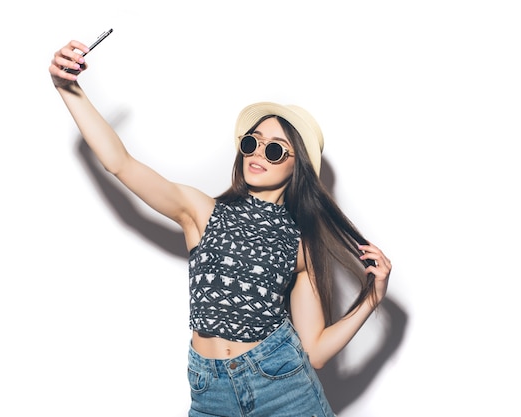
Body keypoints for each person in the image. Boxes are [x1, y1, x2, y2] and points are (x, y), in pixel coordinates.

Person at [49, 39, 392, 417]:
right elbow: (121, 164)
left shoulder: (301, 245)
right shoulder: (202, 210)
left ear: (298, 166)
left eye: (275, 150)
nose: (259, 153)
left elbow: (316, 351)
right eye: (252, 142)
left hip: (283, 386)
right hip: (210, 391)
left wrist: (372, 299)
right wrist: (69, 89)